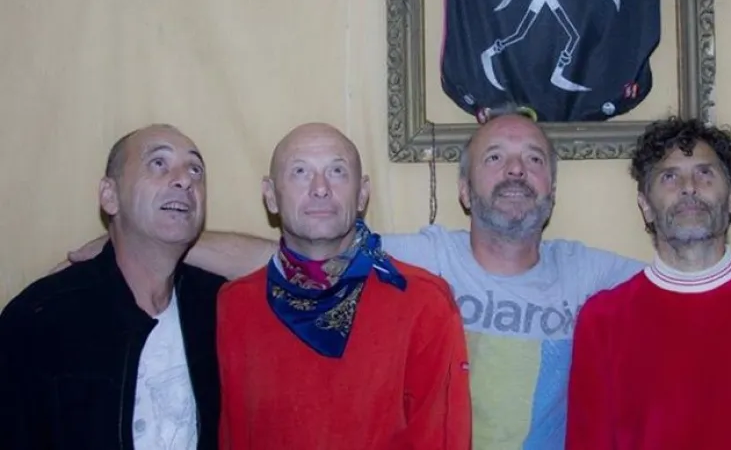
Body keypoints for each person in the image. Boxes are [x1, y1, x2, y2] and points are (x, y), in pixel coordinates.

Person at [63, 105, 646, 449]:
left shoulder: (589, 274)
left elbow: (685, 291)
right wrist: (143, 240)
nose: (515, 171)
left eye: (533, 159)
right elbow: (302, 258)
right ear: (465, 191)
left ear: (552, 188)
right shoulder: (414, 263)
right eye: (494, 157)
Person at [565, 117, 731, 449]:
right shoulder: (603, 320)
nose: (689, 187)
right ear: (646, 206)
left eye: (705, 173)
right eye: (669, 176)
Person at [215, 123, 471, 448]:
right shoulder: (236, 306)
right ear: (270, 195)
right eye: (300, 172)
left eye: (337, 171)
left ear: (362, 194)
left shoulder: (425, 305)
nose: (320, 188)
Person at [0, 124, 226, 449]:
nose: (184, 180)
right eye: (158, 163)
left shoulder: (220, 309)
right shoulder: (40, 319)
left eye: (195, 170)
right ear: (110, 196)